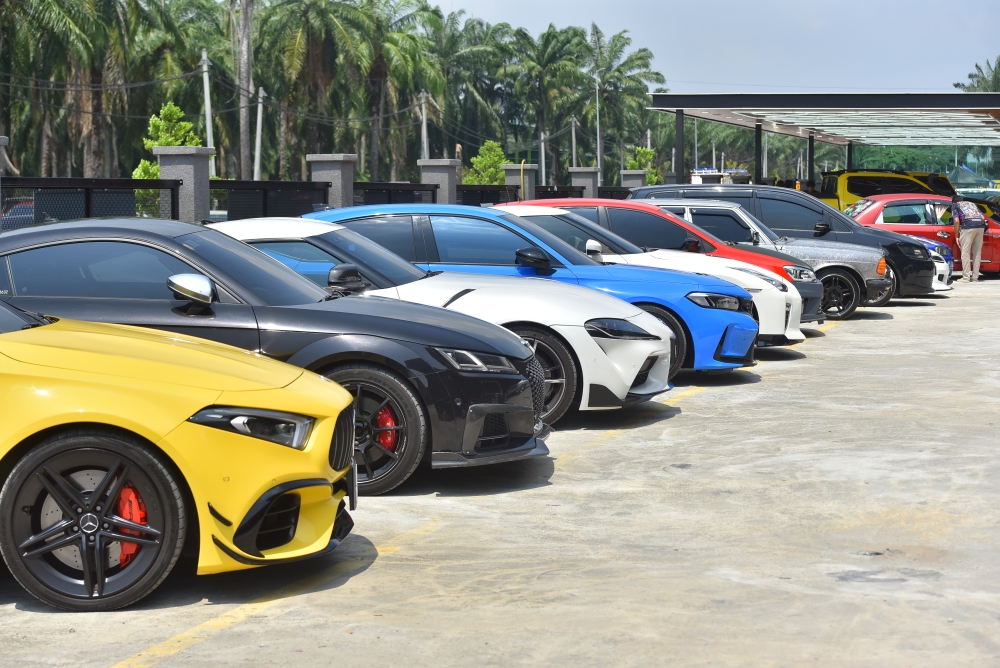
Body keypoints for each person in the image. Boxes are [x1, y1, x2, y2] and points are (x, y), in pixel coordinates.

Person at [952, 196, 987, 282]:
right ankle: (975, 277)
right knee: (977, 253)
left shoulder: (955, 205)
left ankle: (966, 277)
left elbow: (956, 221)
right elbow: (983, 218)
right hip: (980, 226)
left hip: (968, 227)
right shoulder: (972, 204)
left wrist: (957, 236)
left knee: (965, 253)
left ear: (953, 202)